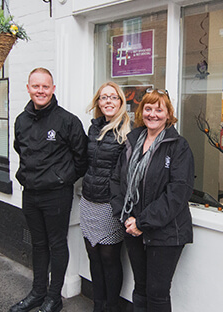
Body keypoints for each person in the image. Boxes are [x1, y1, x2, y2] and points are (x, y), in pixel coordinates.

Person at [11, 68, 88, 312]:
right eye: (36, 86)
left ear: (53, 89)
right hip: (30, 193)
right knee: (38, 244)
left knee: (56, 244)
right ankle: (38, 293)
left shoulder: (67, 120)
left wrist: (61, 179)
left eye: (46, 86)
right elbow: (20, 149)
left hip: (56, 194)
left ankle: (54, 298)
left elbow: (82, 158)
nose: (41, 91)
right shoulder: (21, 120)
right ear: (29, 88)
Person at [110, 88, 194, 312]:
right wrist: (126, 217)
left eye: (159, 109)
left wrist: (142, 223)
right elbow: (117, 181)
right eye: (148, 108)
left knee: (157, 293)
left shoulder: (178, 146)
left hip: (166, 232)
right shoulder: (132, 141)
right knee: (140, 288)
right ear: (141, 111)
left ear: (168, 114)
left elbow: (178, 193)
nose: (153, 114)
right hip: (132, 228)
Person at [80, 82, 131, 312]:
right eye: (103, 97)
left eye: (113, 97)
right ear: (98, 103)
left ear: (121, 102)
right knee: (93, 255)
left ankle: (111, 307)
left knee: (110, 258)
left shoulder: (129, 131)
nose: (108, 101)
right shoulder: (94, 128)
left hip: (110, 206)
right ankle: (97, 305)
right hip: (88, 201)